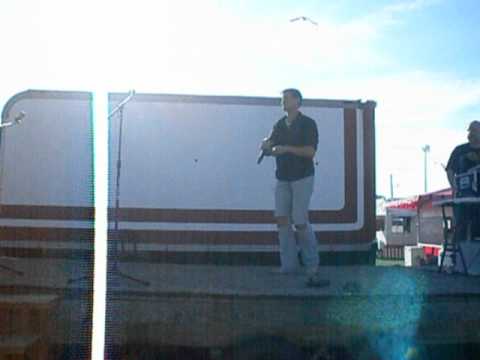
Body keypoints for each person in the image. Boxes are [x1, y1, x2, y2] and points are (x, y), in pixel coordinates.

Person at [260, 88, 329, 287]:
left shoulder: (308, 124)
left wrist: (286, 149)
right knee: (282, 220)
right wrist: (266, 146)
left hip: (302, 178)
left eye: (287, 98)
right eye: (282, 98)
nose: (283, 101)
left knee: (299, 220)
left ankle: (312, 266)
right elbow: (272, 146)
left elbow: (310, 152)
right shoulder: (279, 125)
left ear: (297, 101)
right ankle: (288, 266)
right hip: (283, 178)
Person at [446, 120, 480, 243]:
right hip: (463, 198)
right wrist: (454, 187)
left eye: (475, 131)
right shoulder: (459, 150)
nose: (472, 134)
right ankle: (459, 259)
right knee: (461, 227)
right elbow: (449, 170)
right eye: (470, 131)